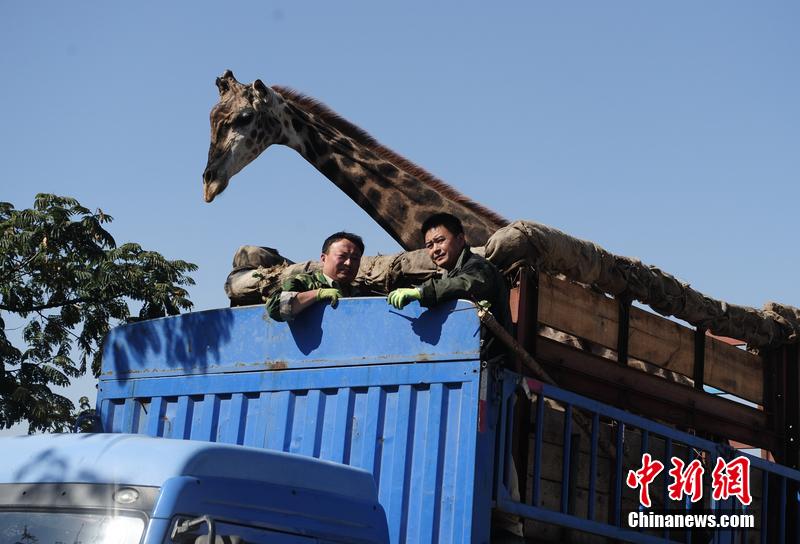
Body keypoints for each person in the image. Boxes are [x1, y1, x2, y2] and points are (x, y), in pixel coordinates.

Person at [387, 213, 510, 331]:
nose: (435, 249)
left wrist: (421, 292)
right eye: (429, 245)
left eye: (440, 241)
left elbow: (463, 284)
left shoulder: (479, 267)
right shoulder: (448, 274)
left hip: (490, 352)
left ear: (460, 239)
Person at [266, 232, 364, 321]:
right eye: (342, 256)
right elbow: (275, 309)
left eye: (355, 259)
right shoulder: (303, 282)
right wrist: (318, 294)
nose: (348, 263)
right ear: (323, 258)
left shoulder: (360, 293)